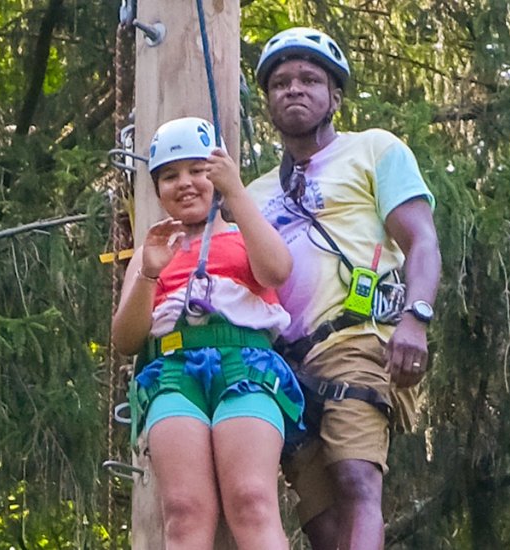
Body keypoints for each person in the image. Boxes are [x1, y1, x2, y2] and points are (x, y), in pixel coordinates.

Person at [248, 27, 443, 550]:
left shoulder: (374, 150)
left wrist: (415, 318)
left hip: (357, 341)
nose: (294, 89)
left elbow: (422, 239)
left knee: (358, 481)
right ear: (267, 99)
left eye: (310, 79)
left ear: (335, 96)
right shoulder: (250, 194)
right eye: (281, 82)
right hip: (281, 362)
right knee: (322, 524)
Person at [111, 117, 305, 550]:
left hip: (247, 365)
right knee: (182, 510)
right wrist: (149, 272)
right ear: (157, 189)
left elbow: (276, 270)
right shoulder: (152, 250)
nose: (185, 183)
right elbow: (126, 339)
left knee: (252, 499)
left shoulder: (243, 235)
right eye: (169, 176)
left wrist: (235, 191)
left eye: (198, 170)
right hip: (174, 372)